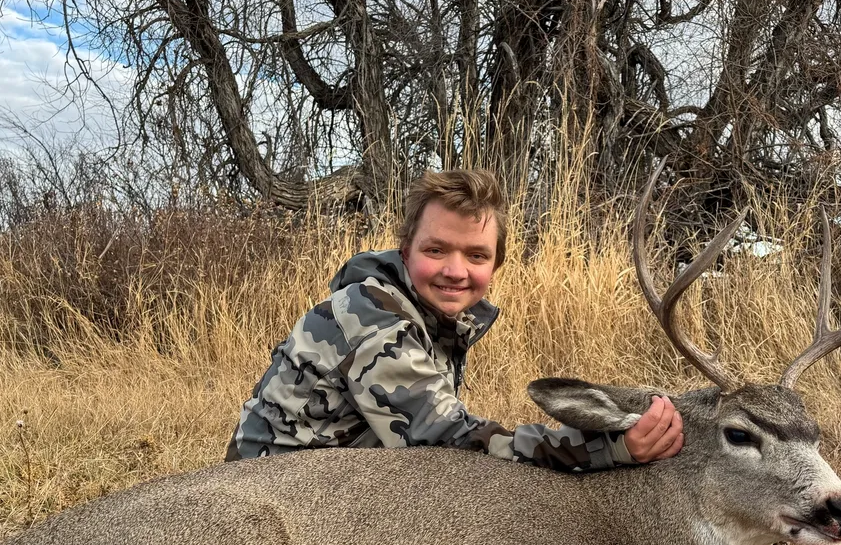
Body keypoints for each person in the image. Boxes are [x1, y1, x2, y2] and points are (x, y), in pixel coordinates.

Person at [225, 169, 683, 470]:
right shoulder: (372, 315)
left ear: (495, 265)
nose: (455, 271)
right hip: (279, 499)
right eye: (436, 249)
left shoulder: (433, 317)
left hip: (339, 481)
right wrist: (610, 448)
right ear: (406, 252)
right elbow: (451, 448)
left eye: (476, 255)